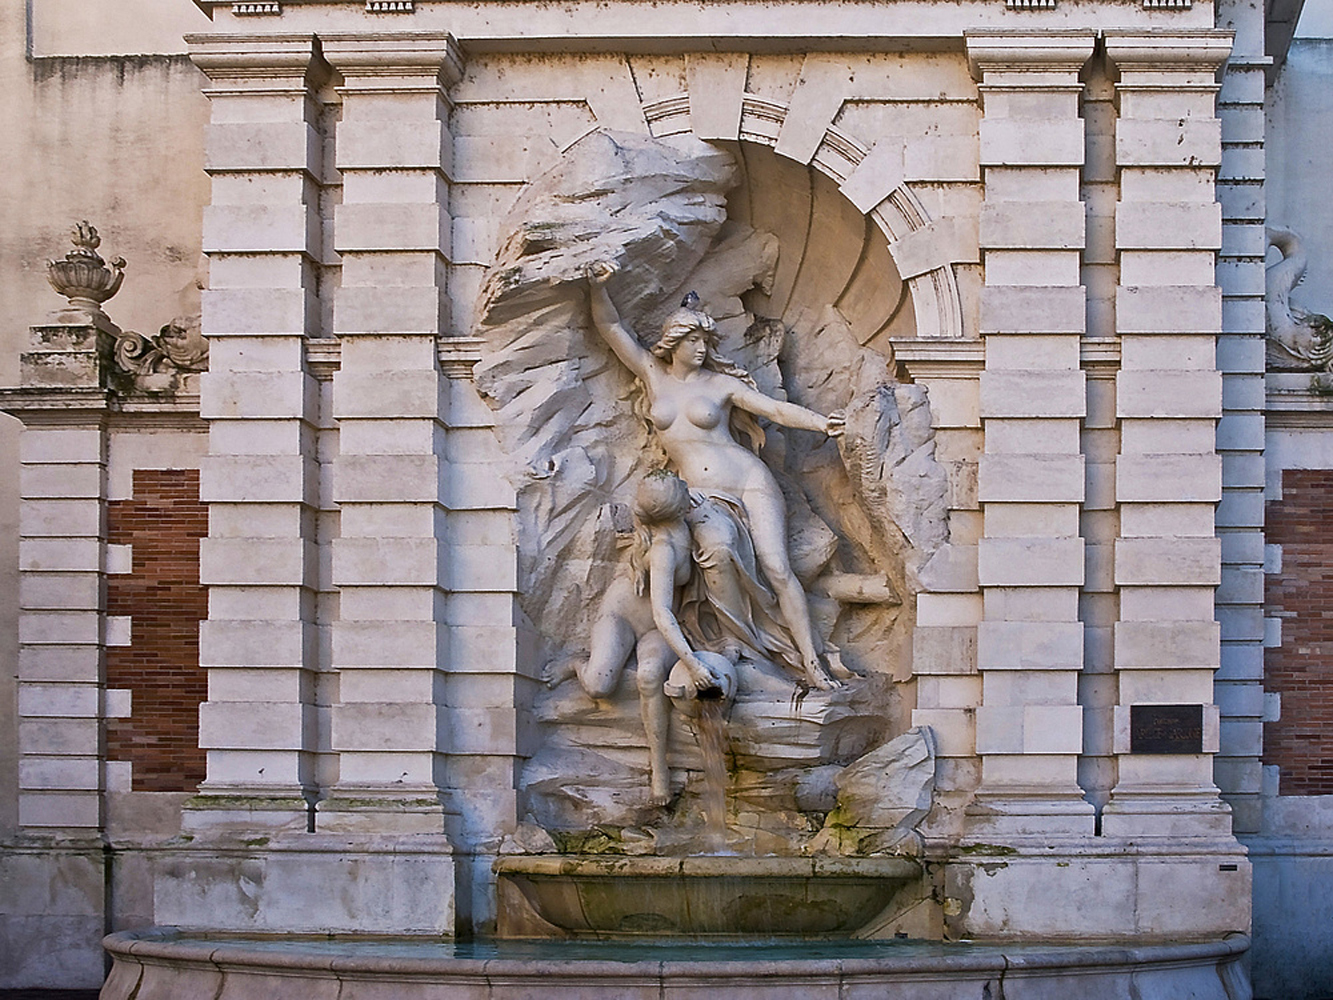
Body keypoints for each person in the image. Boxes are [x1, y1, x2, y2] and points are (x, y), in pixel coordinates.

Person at [588, 259, 846, 689]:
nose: (701, 348)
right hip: (699, 497)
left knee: (778, 568)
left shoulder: (721, 385)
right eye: (692, 339)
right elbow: (612, 328)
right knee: (717, 551)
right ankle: (737, 643)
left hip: (747, 481)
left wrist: (821, 423)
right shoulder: (653, 376)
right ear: (673, 343)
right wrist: (598, 289)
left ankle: (811, 662)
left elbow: (774, 410)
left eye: (705, 339)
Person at [549, 470, 729, 805]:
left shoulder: (682, 524)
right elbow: (662, 614)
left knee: (649, 675)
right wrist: (693, 664)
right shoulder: (663, 548)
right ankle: (576, 664)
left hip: (657, 629)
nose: (688, 487)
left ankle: (659, 768)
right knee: (599, 686)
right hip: (623, 617)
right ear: (676, 506)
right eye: (682, 488)